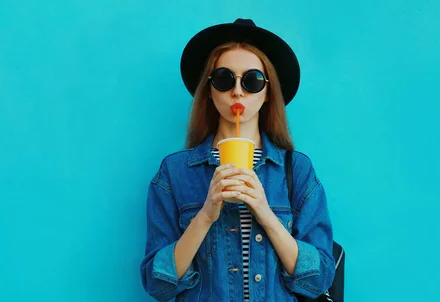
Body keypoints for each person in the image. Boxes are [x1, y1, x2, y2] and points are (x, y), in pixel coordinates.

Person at [140, 18, 335, 301]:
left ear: (268, 92)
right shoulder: (175, 172)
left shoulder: (298, 170)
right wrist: (205, 214)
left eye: (253, 80)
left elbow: (318, 280)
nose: (238, 91)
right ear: (209, 89)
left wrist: (265, 213)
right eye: (224, 79)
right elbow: (158, 284)